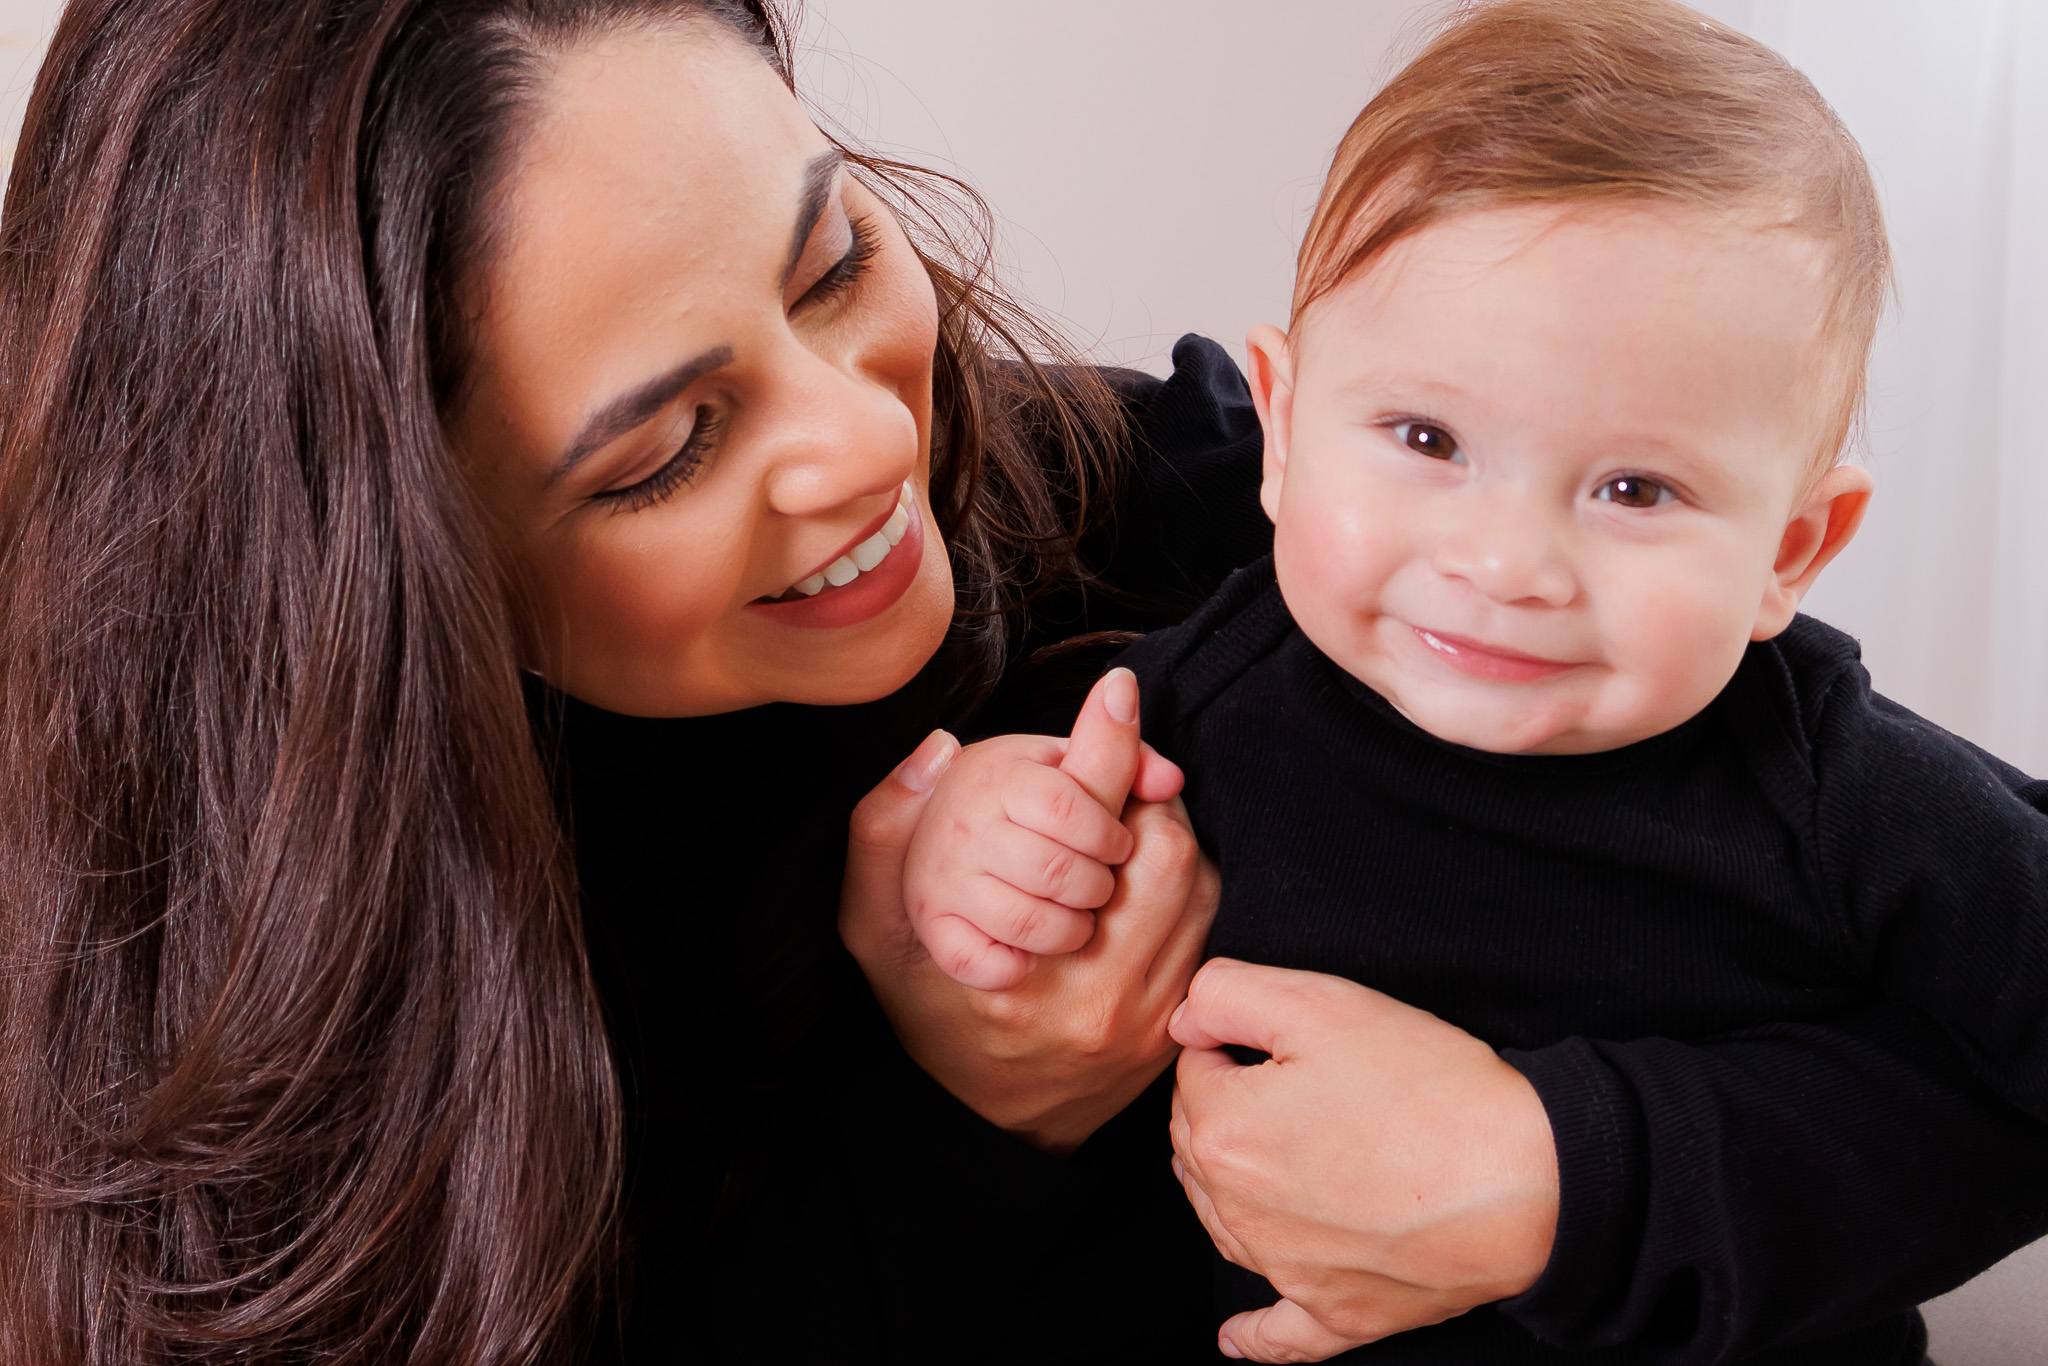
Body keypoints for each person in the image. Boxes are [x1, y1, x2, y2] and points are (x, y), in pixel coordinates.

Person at [2, 0, 2042, 1363]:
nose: (872, 446)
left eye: (833, 264)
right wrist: (977, 1105)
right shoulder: (247, 1005)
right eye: (659, 448)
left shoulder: (1224, 521)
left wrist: (1564, 1167)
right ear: (379, 559)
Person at [897, 2, 2048, 1363]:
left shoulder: (1825, 783)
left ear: (1788, 552)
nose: (1504, 561)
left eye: (1635, 487)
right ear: (1279, 429)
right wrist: (979, 834)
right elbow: (1046, 824)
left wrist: (1601, 1158)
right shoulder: (1208, 680)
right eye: (1427, 436)